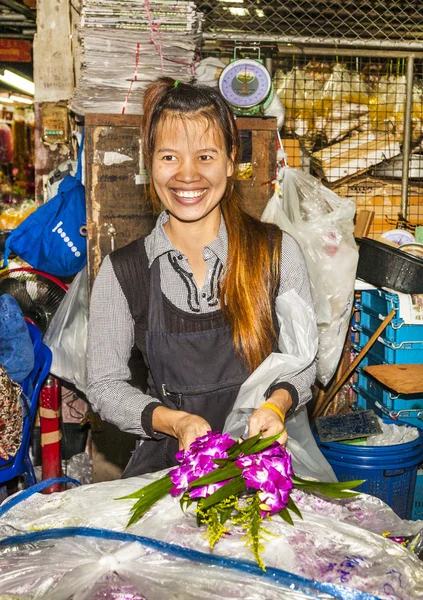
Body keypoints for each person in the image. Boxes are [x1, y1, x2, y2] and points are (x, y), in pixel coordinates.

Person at [87, 77, 318, 478]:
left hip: (260, 462)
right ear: (150, 162)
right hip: (167, 467)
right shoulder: (124, 271)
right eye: (170, 157)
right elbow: (104, 387)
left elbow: (303, 361)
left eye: (206, 157)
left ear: (231, 161)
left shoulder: (275, 252)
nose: (187, 175)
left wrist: (275, 405)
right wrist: (174, 422)